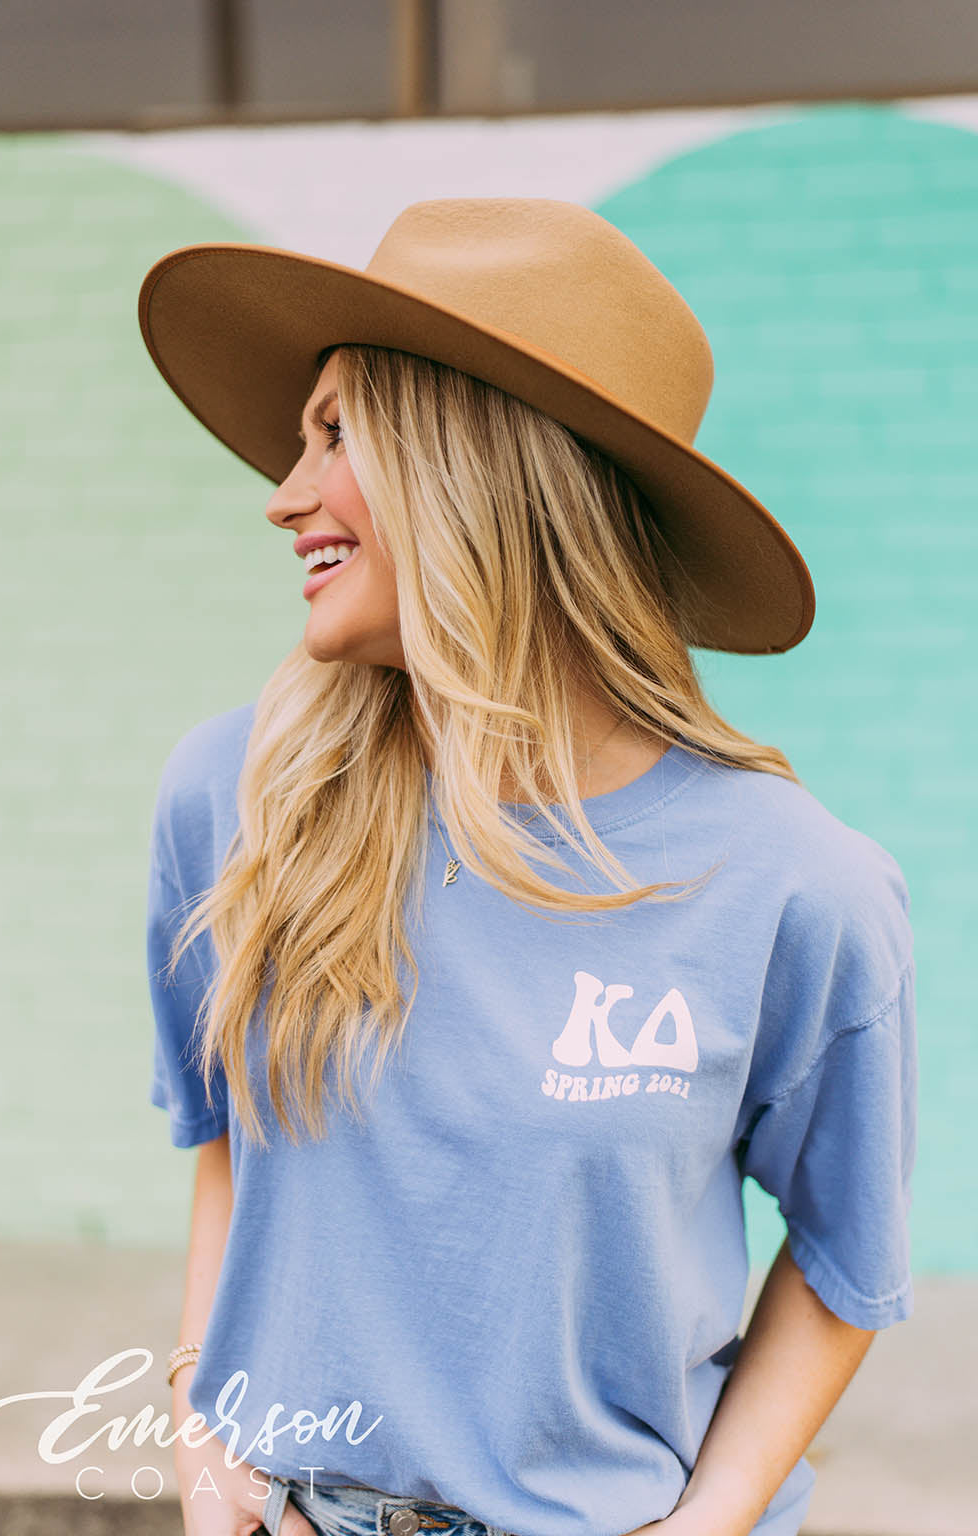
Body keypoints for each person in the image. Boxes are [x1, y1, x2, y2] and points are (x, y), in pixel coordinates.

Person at [140, 199, 917, 1536]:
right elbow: (226, 1149)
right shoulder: (236, 800)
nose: (285, 494)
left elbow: (847, 1262)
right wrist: (201, 1438)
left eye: (336, 433)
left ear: (478, 468)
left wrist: (704, 1526)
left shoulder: (798, 888)